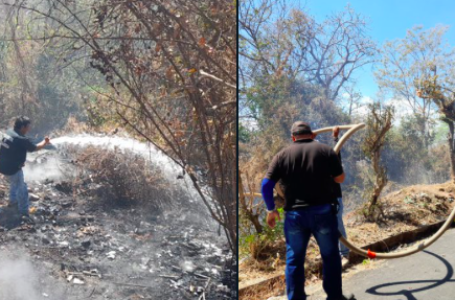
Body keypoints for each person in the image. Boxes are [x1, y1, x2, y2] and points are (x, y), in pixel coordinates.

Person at [261, 121, 355, 300]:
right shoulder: (326, 151)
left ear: (293, 137)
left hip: (295, 216)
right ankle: (334, 297)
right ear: (312, 135)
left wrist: (271, 210)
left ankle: (296, 298)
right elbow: (340, 178)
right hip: (322, 213)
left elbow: (266, 185)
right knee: (330, 255)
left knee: (294, 259)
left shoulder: (282, 155)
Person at [0, 116, 51, 222]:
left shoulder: (10, 132)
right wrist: (45, 143)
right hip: (12, 168)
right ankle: (24, 211)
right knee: (22, 188)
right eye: (28, 126)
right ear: (23, 127)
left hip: (3, 166)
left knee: (14, 183)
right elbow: (34, 148)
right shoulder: (21, 140)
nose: (29, 128)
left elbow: (10, 148)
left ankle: (13, 201)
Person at [331, 127, 350, 265]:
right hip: (321, 201)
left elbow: (337, 155)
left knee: (337, 224)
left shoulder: (331, 162)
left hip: (334, 199)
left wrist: (335, 138)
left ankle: (344, 255)